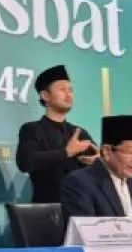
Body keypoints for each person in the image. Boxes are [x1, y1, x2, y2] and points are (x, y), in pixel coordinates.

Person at [15, 65, 97, 203]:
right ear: (45, 95)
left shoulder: (79, 133)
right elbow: (25, 162)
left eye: (71, 90)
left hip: (81, 207)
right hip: (48, 209)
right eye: (62, 89)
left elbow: (98, 165)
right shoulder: (32, 129)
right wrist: (66, 152)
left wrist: (98, 161)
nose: (69, 94)